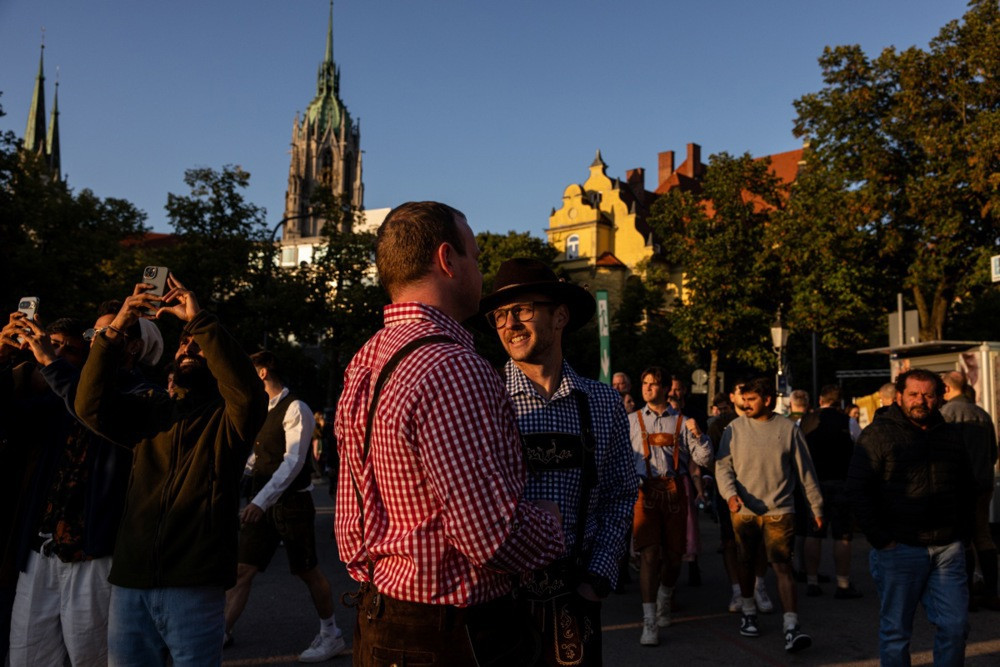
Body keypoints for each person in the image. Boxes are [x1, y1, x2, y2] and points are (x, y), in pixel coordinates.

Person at [334, 201, 565, 666]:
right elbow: (488, 537)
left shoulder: (366, 359)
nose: (479, 271)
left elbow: (349, 524)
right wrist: (550, 524)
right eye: (475, 258)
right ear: (447, 260)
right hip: (450, 632)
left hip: (381, 615)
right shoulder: (453, 366)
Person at [74, 275, 268, 666]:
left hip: (194, 586)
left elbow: (248, 393)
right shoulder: (149, 410)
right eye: (184, 342)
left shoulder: (229, 421)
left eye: (199, 345)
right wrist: (116, 329)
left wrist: (201, 322)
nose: (190, 346)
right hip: (130, 583)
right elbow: (88, 407)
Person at [480, 258, 636, 666]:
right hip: (501, 601)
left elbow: (621, 494)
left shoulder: (603, 403)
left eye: (524, 310)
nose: (510, 324)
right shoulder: (483, 401)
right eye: (500, 315)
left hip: (576, 597)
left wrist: (597, 580)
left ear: (561, 315)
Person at [2, 308, 163, 667]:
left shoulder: (145, 395)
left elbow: (96, 410)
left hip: (94, 553)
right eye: (94, 333)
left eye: (109, 332)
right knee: (28, 658)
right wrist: (3, 357)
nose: (95, 340)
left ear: (134, 348)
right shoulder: (65, 394)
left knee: (93, 659)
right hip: (41, 551)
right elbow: (11, 417)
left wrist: (49, 362)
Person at [847, 369, 976, 666]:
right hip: (899, 548)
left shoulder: (951, 434)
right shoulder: (878, 434)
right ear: (900, 397)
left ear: (940, 396)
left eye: (928, 395)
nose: (921, 401)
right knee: (896, 632)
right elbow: (857, 489)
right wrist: (882, 538)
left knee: (955, 627)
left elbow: (968, 487)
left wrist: (963, 533)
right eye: (914, 394)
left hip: (947, 548)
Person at [223, 351, 345, 661]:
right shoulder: (261, 409)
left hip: (293, 504)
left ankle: (331, 633)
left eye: (249, 372)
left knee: (307, 570)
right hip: (262, 503)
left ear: (262, 373)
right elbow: (259, 456)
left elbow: (293, 462)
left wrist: (260, 501)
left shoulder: (297, 409)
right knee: (241, 570)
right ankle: (220, 632)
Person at [715, 376, 823, 653]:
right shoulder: (734, 429)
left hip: (781, 510)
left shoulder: (788, 429)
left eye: (752, 399)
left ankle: (791, 625)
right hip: (744, 510)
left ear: (768, 400)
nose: (746, 404)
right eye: (744, 399)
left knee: (782, 566)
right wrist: (730, 494)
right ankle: (748, 612)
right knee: (746, 563)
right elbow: (722, 466)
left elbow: (805, 472)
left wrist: (816, 507)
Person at [630, 366, 713, 646]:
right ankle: (649, 620)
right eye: (645, 383)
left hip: (675, 491)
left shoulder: (682, 421)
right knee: (650, 554)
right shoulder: (631, 421)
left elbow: (703, 460)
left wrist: (699, 434)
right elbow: (619, 460)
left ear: (666, 389)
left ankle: (665, 595)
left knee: (674, 557)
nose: (648, 388)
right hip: (645, 493)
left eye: (654, 384)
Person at [706, 381, 773, 615]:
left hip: (762, 492)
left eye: (748, 394)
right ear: (733, 397)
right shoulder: (721, 425)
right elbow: (714, 461)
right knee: (731, 543)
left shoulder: (763, 420)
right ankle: (737, 589)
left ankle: (759, 585)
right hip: (729, 493)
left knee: (761, 542)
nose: (745, 399)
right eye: (740, 393)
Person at [940, 370, 999, 611]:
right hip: (984, 483)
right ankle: (992, 591)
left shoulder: (947, 414)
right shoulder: (982, 413)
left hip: (961, 486)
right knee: (983, 535)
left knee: (963, 539)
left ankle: (967, 594)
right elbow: (993, 452)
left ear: (946, 388)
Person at [799, 385, 862, 599]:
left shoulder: (805, 422)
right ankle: (843, 583)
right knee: (842, 535)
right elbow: (861, 449)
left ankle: (812, 581)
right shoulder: (848, 422)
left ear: (820, 399)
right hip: (841, 481)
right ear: (840, 401)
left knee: (812, 532)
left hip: (813, 483)